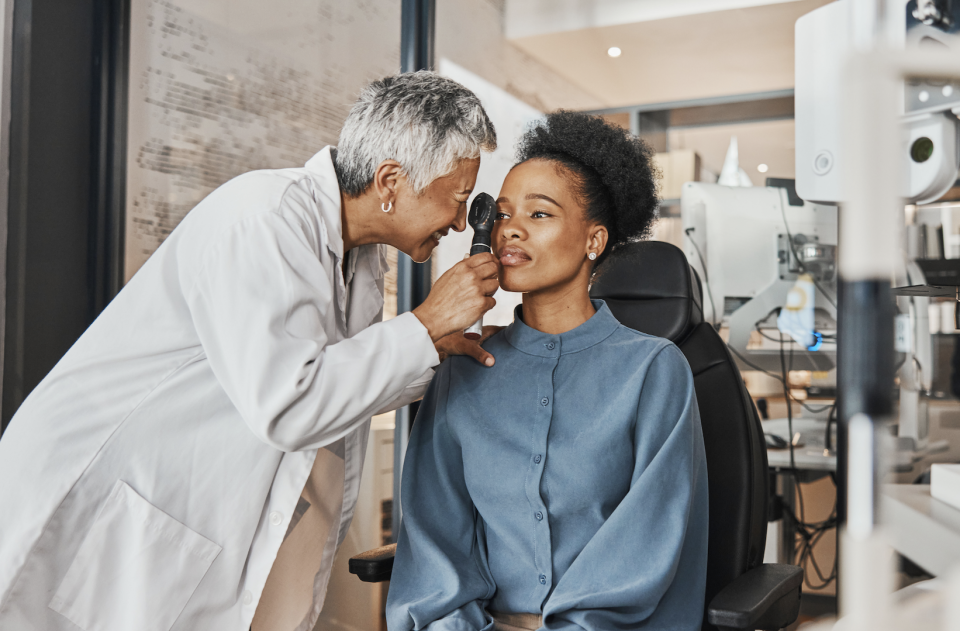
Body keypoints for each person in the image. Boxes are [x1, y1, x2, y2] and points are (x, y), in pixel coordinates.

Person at [0, 71, 502, 631]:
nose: (460, 222)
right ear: (390, 182)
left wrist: (430, 347)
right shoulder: (264, 219)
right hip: (110, 490)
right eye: (457, 200)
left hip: (175, 504)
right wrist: (424, 322)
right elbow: (288, 404)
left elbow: (336, 385)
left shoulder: (355, 256)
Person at [386, 111, 709, 631]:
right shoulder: (460, 369)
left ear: (593, 241)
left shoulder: (653, 370)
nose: (509, 228)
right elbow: (434, 546)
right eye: (504, 213)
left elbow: (648, 547)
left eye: (540, 215)